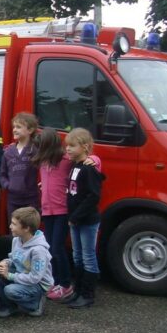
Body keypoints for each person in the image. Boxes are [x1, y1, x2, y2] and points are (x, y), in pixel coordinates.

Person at [32, 128, 101, 303]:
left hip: (63, 210)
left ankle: (66, 283)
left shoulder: (65, 160)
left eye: (42, 148)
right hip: (48, 210)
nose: (39, 152)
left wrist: (93, 159)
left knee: (58, 248)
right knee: (51, 248)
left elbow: (91, 164)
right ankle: (59, 282)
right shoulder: (43, 161)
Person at [65, 128, 105, 309]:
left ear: (85, 147)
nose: (68, 149)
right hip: (75, 219)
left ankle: (88, 294)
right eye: (67, 146)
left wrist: (76, 215)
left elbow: (93, 196)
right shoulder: (75, 166)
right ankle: (78, 291)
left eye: (72, 146)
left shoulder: (89, 169)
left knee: (88, 256)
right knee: (77, 256)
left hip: (86, 220)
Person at [0, 207, 54, 318]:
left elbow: (35, 278)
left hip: (38, 285)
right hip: (22, 274)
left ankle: (35, 303)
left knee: (10, 290)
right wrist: (5, 263)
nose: (10, 226)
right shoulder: (17, 240)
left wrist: (10, 275)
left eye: (14, 224)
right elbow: (14, 259)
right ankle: (8, 306)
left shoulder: (38, 250)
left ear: (26, 228)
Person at [0, 112, 40, 222]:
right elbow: (2, 174)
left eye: (19, 127)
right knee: (15, 231)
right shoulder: (8, 152)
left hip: (31, 200)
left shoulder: (35, 150)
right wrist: (8, 185)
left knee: (29, 231)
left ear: (30, 130)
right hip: (13, 200)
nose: (14, 130)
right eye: (14, 127)